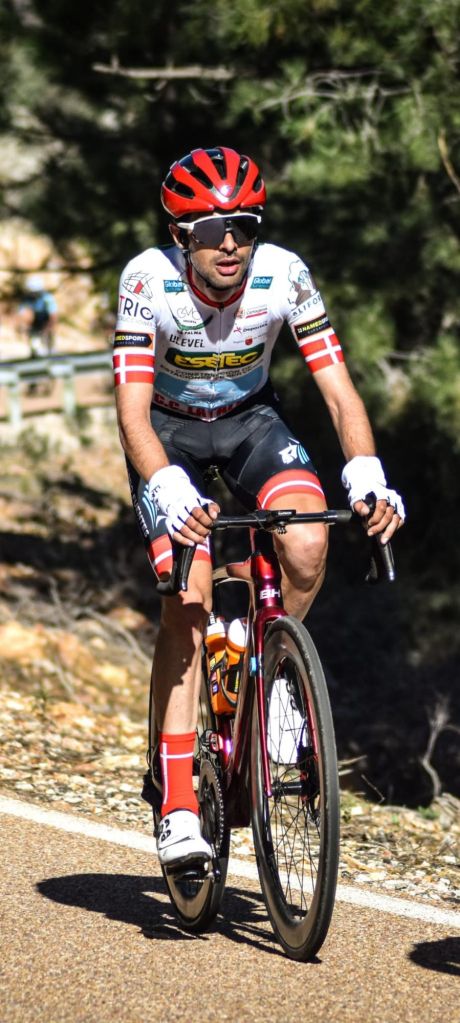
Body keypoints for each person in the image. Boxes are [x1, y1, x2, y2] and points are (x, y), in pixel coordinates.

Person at [113, 146, 404, 869]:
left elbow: (339, 391)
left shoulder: (284, 273)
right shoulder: (147, 279)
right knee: (188, 597)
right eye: (212, 230)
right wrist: (166, 486)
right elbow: (131, 412)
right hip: (168, 434)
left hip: (250, 423)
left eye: (243, 226)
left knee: (306, 541)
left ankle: (272, 674)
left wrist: (367, 473)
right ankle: (178, 802)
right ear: (181, 236)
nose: (231, 244)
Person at [17, 275, 58, 357]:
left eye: (35, 292)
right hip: (35, 318)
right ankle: (34, 351)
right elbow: (21, 312)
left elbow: (53, 315)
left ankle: (50, 349)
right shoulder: (27, 298)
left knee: (48, 334)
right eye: (31, 292)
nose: (33, 295)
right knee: (33, 334)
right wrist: (23, 325)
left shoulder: (47, 298)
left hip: (46, 318)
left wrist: (49, 327)